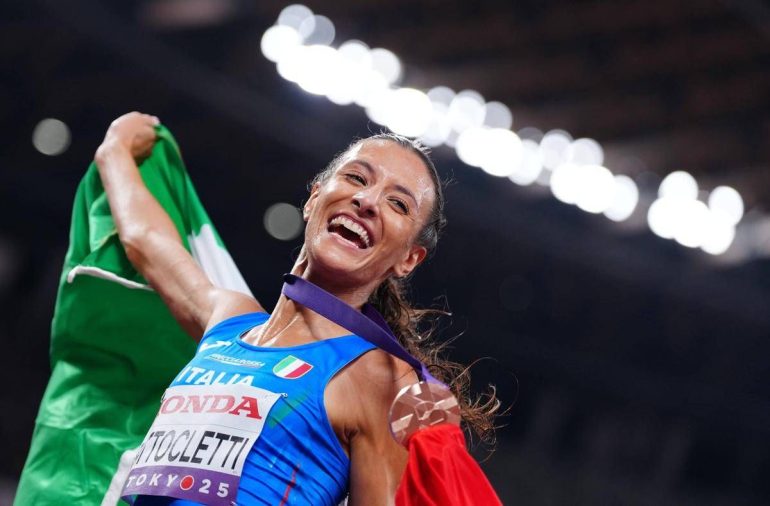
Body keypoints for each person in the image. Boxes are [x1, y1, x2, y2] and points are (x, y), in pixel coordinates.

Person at [94, 111, 498, 505]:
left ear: (409, 259)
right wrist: (114, 149)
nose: (367, 200)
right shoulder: (227, 321)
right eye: (357, 178)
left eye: (398, 204)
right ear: (314, 198)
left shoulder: (381, 381)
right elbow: (145, 239)